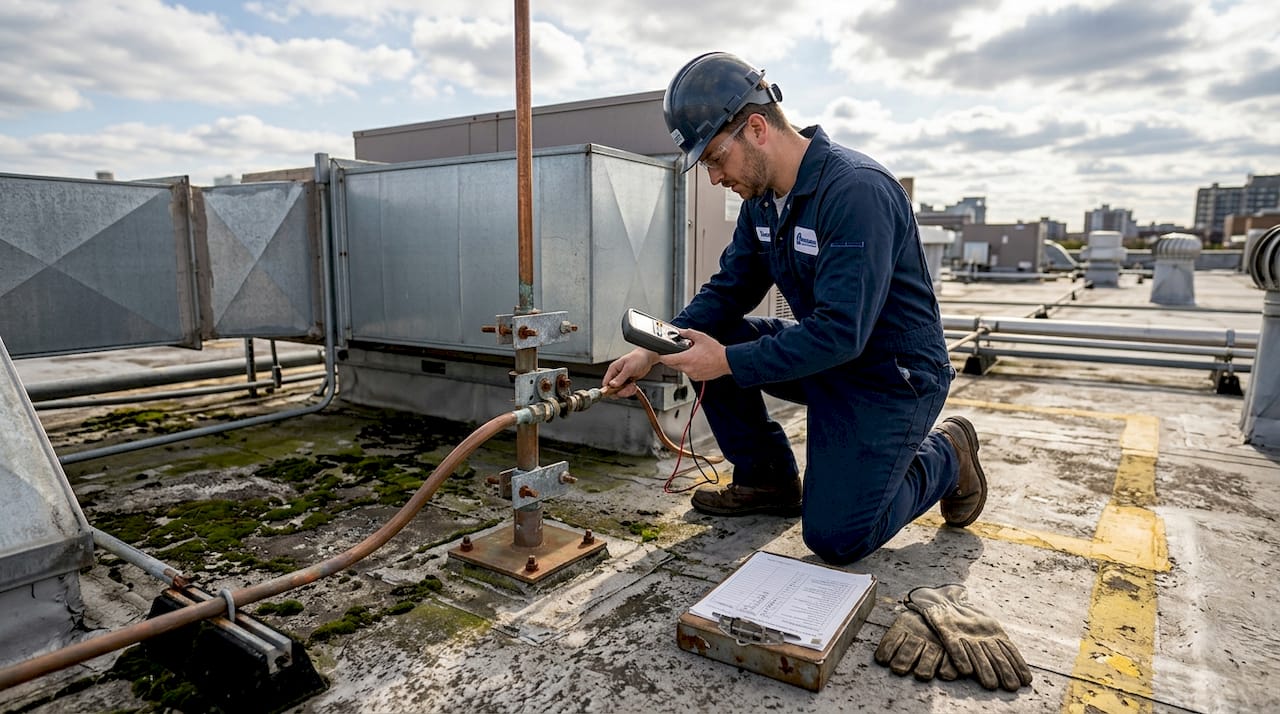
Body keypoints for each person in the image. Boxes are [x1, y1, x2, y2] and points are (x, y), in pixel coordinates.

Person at [602, 52, 987, 565]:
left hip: (891, 376)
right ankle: (767, 481)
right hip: (833, 359)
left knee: (836, 537)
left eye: (715, 158)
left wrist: (729, 363)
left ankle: (948, 452)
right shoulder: (762, 202)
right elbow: (728, 290)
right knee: (702, 341)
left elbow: (841, 331)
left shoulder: (856, 192)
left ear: (756, 128)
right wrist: (655, 351)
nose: (714, 177)